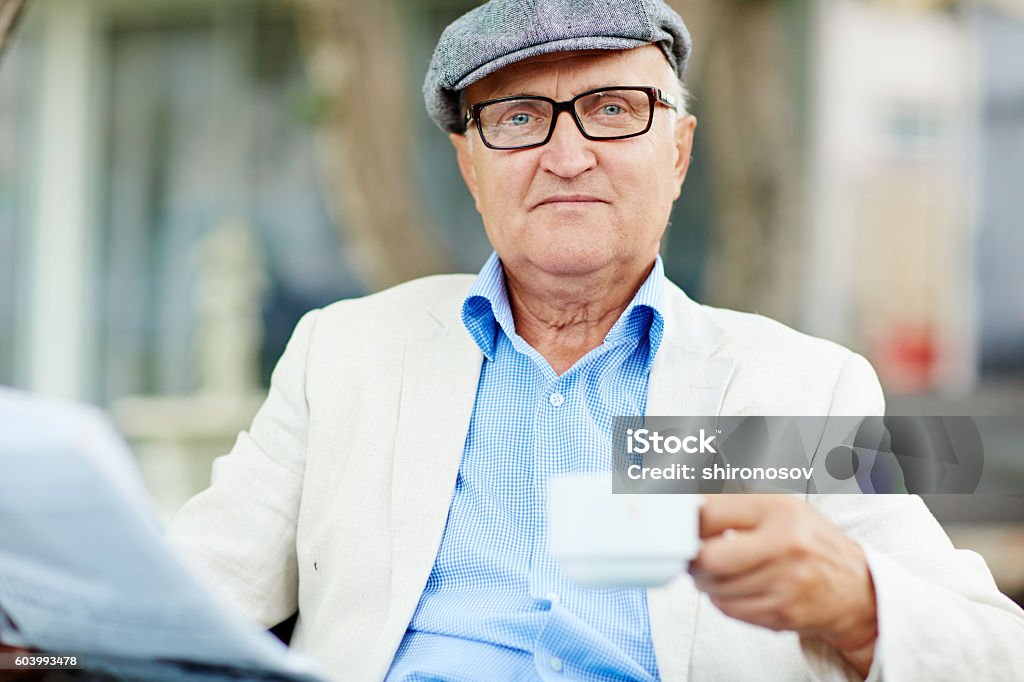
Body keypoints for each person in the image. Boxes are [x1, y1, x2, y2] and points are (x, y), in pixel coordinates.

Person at [168, 1, 1024, 680]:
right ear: (471, 165)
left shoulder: (803, 390)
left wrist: (856, 602)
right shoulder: (344, 355)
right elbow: (187, 594)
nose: (568, 155)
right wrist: (43, 649)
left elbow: (993, 653)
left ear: (679, 153)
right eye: (517, 118)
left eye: (613, 109)